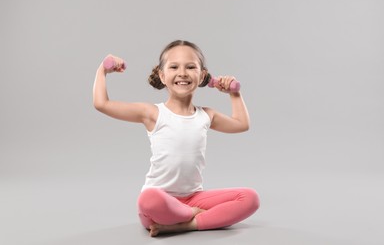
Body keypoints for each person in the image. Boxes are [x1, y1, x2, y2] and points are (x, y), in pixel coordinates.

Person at [93, 40, 260, 237]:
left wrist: (234, 93)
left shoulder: (206, 115)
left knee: (250, 198)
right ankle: (192, 216)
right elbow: (101, 104)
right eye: (174, 67)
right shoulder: (153, 113)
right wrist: (102, 70)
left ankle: (186, 225)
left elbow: (241, 124)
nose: (182, 73)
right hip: (160, 202)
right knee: (148, 199)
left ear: (202, 76)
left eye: (191, 67)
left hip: (194, 198)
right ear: (162, 76)